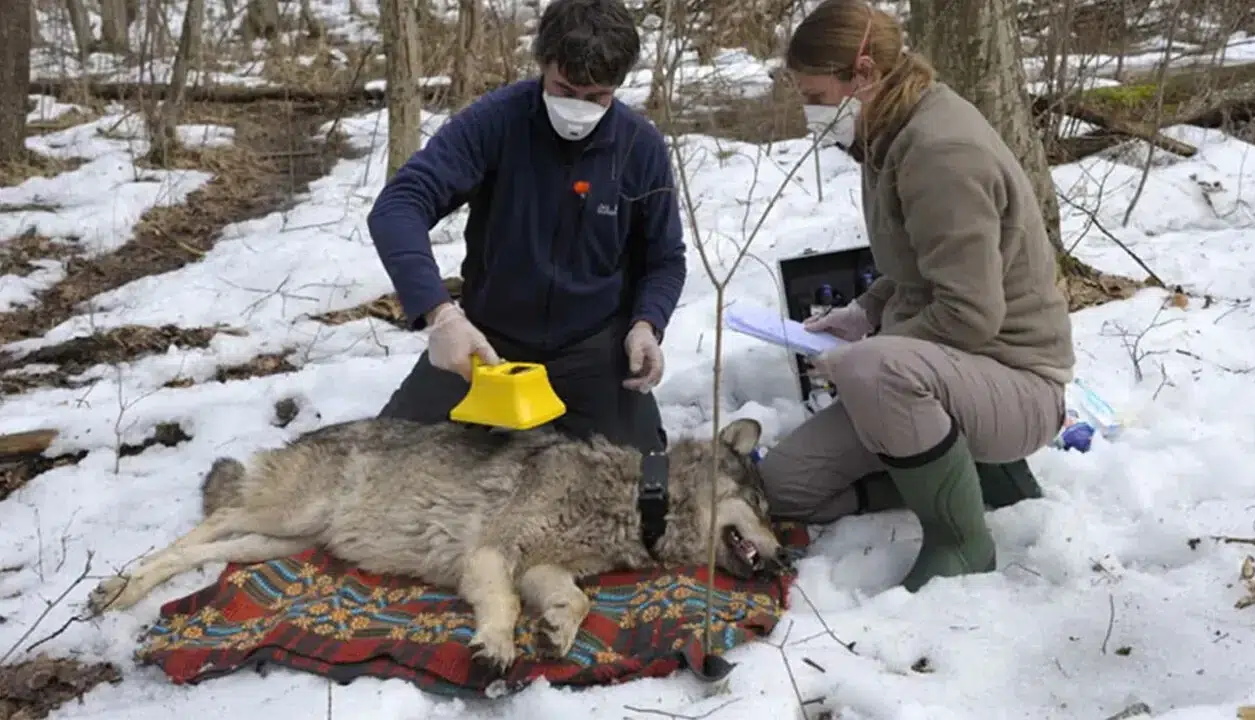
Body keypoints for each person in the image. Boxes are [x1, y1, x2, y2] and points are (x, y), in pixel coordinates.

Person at [758, 0, 1076, 592]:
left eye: (817, 96)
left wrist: (866, 357)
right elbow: (923, 269)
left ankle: (960, 540)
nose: (811, 112)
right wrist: (864, 313)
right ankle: (978, 479)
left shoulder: (939, 151)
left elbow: (970, 314)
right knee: (784, 487)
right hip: (948, 370)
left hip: (1017, 378)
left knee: (876, 371)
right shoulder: (886, 130)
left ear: (863, 74)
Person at [365, 0, 686, 454]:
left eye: (597, 97)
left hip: (592, 349)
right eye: (564, 89)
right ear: (542, 65)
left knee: (641, 480)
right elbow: (399, 205)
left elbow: (665, 259)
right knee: (387, 461)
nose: (578, 107)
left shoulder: (641, 147)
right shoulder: (496, 121)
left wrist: (647, 324)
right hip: (488, 346)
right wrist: (441, 315)